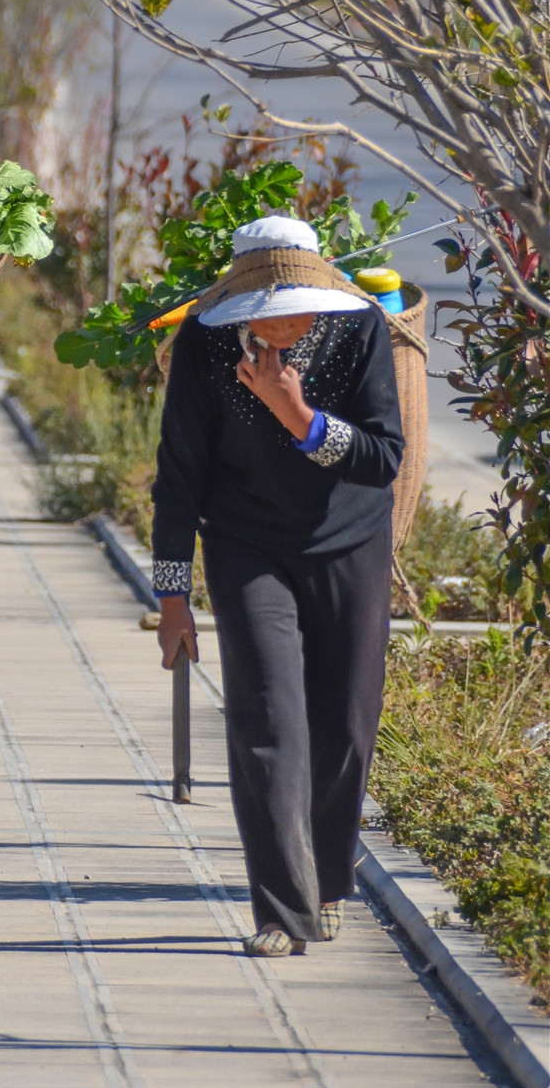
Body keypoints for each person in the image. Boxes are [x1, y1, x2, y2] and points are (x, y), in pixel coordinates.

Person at [151, 217, 404, 956]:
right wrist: (173, 597)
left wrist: (296, 412)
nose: (288, 321)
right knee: (266, 718)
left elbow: (383, 456)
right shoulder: (203, 345)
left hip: (349, 542)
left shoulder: (359, 333)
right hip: (245, 545)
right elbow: (178, 478)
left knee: (345, 727)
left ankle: (327, 879)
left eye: (299, 306)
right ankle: (280, 911)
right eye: (272, 308)